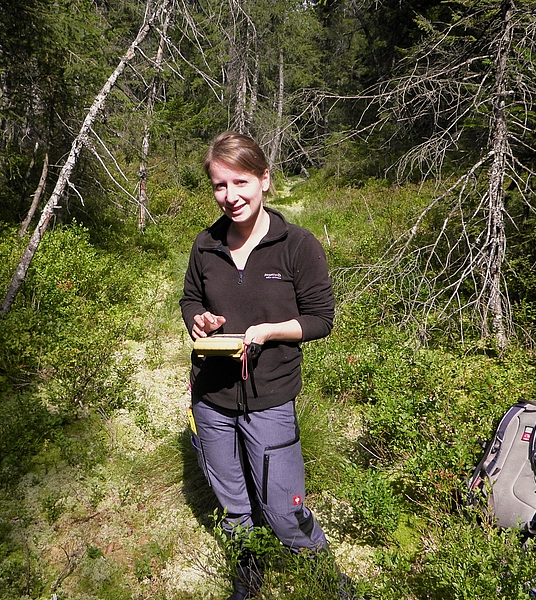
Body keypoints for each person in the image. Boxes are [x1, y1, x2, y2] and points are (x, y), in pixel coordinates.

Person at [180, 132, 335, 600]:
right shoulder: (205, 245)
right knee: (233, 505)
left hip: (270, 396)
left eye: (241, 182)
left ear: (265, 179)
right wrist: (198, 320)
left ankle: (325, 578)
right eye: (219, 185)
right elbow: (190, 298)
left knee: (284, 508)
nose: (230, 196)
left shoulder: (297, 245)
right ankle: (247, 573)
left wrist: (270, 331)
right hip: (211, 395)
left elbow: (320, 319)